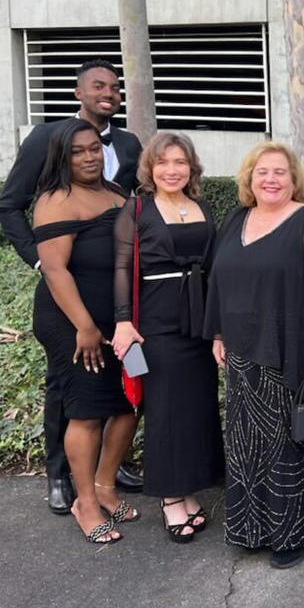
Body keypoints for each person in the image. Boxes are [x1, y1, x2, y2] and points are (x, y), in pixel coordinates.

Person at [0, 58, 144, 514]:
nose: (109, 92)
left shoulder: (128, 142)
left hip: (117, 305)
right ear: (78, 92)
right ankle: (62, 478)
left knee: (124, 392)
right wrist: (41, 260)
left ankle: (107, 476)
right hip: (69, 300)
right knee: (71, 390)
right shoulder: (48, 138)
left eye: (115, 87)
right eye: (98, 85)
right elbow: (9, 205)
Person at [204, 142, 304, 570]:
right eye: (262, 171)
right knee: (246, 443)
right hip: (242, 353)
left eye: (280, 172)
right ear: (249, 178)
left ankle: (291, 533)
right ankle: (251, 528)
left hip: (290, 348)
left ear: (293, 179)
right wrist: (219, 333)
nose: (271, 179)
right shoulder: (235, 220)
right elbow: (218, 281)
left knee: (288, 442)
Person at [112, 133, 224, 544]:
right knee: (166, 410)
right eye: (163, 163)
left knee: (197, 407)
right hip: (157, 321)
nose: (172, 170)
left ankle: (190, 488)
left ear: (191, 167)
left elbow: (215, 265)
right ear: (150, 169)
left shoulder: (202, 206)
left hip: (200, 318)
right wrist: (123, 322)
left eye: (180, 162)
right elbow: (122, 268)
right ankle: (170, 497)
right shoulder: (136, 208)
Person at [31, 119, 137, 545]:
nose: (90, 156)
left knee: (129, 403)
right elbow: (55, 271)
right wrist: (85, 326)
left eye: (94, 148)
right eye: (79, 151)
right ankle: (85, 502)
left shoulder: (115, 193)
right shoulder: (56, 200)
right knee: (88, 410)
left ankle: (105, 486)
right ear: (62, 156)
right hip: (73, 321)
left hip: (120, 319)